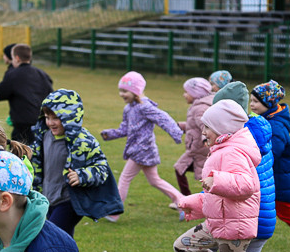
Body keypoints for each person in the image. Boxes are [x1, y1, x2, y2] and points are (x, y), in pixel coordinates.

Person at [174, 99, 269, 252]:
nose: (203, 132)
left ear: (224, 129)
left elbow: (246, 185)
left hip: (235, 229)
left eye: (207, 127)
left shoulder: (233, 152)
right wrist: (194, 203)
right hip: (220, 222)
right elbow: (217, 193)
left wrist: (217, 181)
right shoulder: (222, 149)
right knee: (184, 245)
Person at [193, 81, 285, 252]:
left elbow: (240, 183)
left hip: (247, 216)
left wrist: (211, 187)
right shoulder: (251, 130)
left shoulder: (238, 140)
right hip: (257, 214)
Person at [30, 89, 123, 237]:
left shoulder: (83, 141)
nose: (50, 123)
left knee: (51, 236)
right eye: (47, 117)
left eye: (56, 118)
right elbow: (35, 157)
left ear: (69, 117)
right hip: (49, 198)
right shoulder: (44, 136)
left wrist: (82, 176)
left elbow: (102, 168)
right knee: (63, 240)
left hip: (69, 201)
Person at [100, 71, 184, 219]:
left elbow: (162, 118)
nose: (121, 94)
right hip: (142, 150)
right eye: (120, 90)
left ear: (136, 91)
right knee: (155, 180)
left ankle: (115, 212)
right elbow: (124, 129)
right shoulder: (129, 108)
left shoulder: (144, 107)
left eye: (125, 91)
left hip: (142, 150)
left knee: (125, 178)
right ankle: (182, 202)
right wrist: (110, 134)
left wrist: (176, 132)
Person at [252, 79, 290, 252]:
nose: (252, 105)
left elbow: (271, 153)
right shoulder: (266, 119)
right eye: (251, 100)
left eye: (256, 102)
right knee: (254, 214)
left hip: (278, 181)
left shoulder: (276, 126)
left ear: (268, 103)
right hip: (266, 180)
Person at [0, 43, 53, 144]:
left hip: (22, 125)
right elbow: (51, 95)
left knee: (20, 155)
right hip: (43, 123)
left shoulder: (13, 74)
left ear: (16, 58)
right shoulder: (42, 74)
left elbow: (0, 93)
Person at [174, 77, 214, 196]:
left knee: (180, 169)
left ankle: (187, 198)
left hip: (199, 149)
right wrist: (180, 126)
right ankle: (192, 199)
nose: (184, 95)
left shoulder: (200, 108)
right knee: (205, 174)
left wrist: (206, 139)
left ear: (196, 94)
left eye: (187, 92)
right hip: (197, 147)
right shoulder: (199, 105)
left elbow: (204, 125)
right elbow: (194, 126)